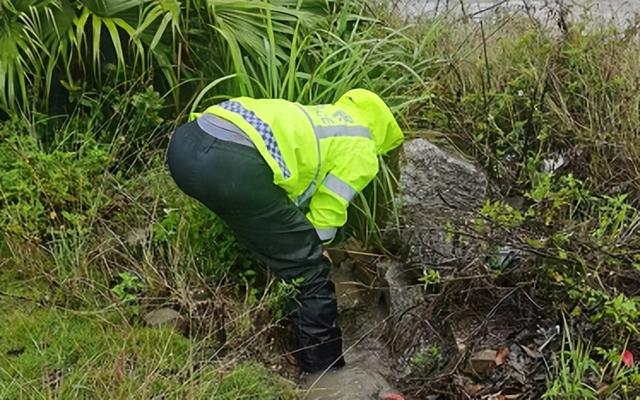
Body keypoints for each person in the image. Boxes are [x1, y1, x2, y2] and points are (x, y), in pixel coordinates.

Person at [166, 88, 404, 373]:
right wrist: (318, 251)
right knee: (311, 271)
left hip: (185, 145)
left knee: (268, 232)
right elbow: (328, 211)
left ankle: (267, 307)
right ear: (384, 133)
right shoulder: (363, 147)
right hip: (230, 165)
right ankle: (325, 373)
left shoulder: (324, 117)